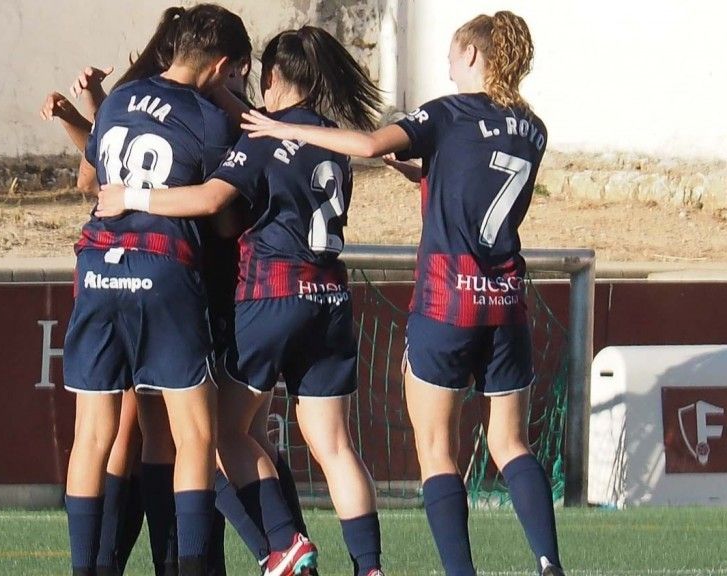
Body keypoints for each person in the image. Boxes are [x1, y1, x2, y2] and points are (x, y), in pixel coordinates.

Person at [238, 11, 566, 576]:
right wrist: (420, 172)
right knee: (511, 443)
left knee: (437, 450)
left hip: (447, 300)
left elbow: (365, 143)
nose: (446, 63)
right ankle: (547, 562)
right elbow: (476, 186)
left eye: (451, 53)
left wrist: (286, 128)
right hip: (507, 298)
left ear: (470, 55)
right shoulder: (532, 127)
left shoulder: (447, 111)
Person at [96, 26, 386, 576]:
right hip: (329, 299)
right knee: (335, 445)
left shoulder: (262, 137)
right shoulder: (330, 139)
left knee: (217, 432)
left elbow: (211, 199)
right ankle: (369, 567)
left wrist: (132, 195)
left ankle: (283, 542)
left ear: (273, 78)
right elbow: (261, 122)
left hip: (272, 296)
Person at [60, 5, 251, 576]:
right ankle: (189, 565)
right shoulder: (211, 118)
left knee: (92, 436)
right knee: (195, 435)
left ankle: (86, 567)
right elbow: (221, 222)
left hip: (97, 268)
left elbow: (91, 177)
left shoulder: (120, 99)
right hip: (164, 270)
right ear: (221, 67)